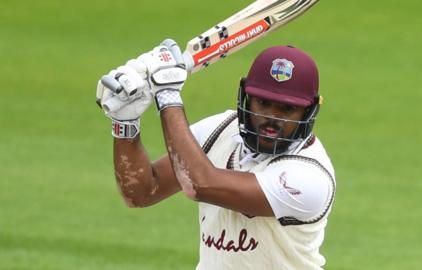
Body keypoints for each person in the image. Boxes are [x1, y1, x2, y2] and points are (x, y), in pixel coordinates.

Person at [96, 39, 336, 270]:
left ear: (309, 111)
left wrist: (167, 94)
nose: (271, 118)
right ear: (246, 98)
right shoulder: (220, 128)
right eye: (262, 103)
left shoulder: (309, 177)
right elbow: (142, 192)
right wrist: (125, 123)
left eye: (287, 109)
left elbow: (200, 184)